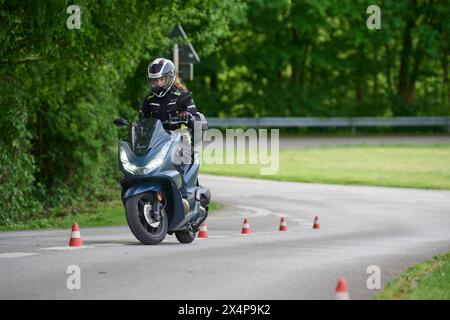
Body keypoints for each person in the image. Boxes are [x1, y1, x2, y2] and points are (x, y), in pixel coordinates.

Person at [139, 57, 201, 214]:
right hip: (155, 143)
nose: (158, 83)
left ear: (169, 77)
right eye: (154, 80)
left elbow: (196, 117)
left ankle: (184, 198)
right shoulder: (149, 100)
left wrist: (189, 116)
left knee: (180, 160)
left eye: (161, 79)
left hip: (176, 140)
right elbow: (141, 121)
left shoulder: (181, 95)